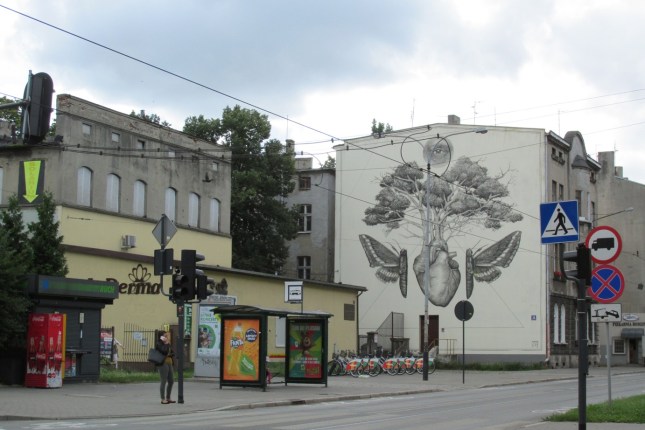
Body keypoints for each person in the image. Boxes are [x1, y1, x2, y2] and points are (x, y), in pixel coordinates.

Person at [155, 331, 175, 404]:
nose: (166, 337)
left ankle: (168, 397)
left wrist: (171, 352)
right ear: (161, 337)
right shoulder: (159, 343)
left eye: (166, 336)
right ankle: (163, 399)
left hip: (169, 362)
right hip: (163, 363)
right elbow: (164, 351)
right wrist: (166, 344)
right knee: (163, 381)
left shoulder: (167, 343)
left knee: (171, 380)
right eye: (165, 336)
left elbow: (172, 352)